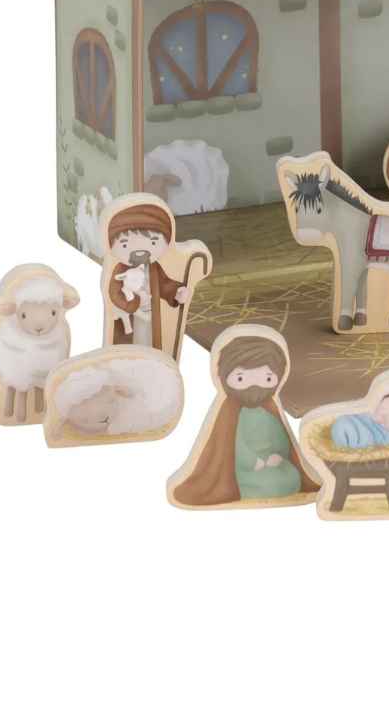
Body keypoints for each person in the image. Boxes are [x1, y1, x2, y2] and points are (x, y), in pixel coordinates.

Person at [170, 333, 319, 506]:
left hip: (272, 462)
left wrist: (277, 456)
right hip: (246, 468)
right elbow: (234, 443)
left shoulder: (270, 411)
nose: (254, 385)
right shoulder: (230, 415)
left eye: (267, 378)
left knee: (291, 476)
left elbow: (281, 438)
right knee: (262, 482)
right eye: (241, 378)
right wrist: (254, 462)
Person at [104, 201, 187, 354]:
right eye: (125, 244)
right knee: (132, 344)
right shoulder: (120, 269)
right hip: (131, 314)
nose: (140, 251)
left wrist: (176, 291)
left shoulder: (153, 268)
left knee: (150, 341)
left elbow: (164, 283)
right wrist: (133, 304)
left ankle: (150, 358)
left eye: (153, 242)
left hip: (150, 312)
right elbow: (114, 293)